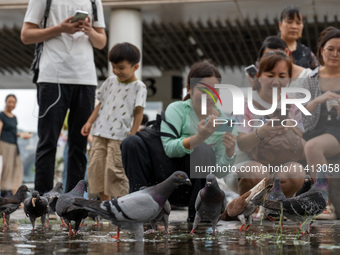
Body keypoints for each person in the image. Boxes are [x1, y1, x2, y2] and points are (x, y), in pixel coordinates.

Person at [121, 60, 237, 222]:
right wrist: (199, 137)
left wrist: (230, 153)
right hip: (162, 181)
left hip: (194, 190)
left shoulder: (224, 122)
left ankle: (199, 218)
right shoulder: (177, 109)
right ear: (189, 89)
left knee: (203, 150)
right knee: (131, 142)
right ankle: (138, 210)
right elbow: (169, 148)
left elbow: (218, 172)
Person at [21, 0, 107, 194]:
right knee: (48, 142)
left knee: (79, 145)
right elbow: (26, 35)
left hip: (85, 78)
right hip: (52, 76)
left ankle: (73, 203)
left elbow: (101, 42)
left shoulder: (94, 1)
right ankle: (42, 201)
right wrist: (60, 28)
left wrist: (89, 30)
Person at [81, 43, 147, 201]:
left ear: (135, 67)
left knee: (115, 171)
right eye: (114, 67)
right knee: (97, 169)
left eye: (121, 68)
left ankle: (121, 205)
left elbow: (139, 113)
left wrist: (132, 134)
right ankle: (106, 206)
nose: (117, 71)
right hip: (99, 132)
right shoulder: (110, 81)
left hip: (120, 136)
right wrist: (89, 122)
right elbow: (101, 104)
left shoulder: (139, 87)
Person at [236, 50, 306, 197]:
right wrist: (261, 133)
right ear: (258, 76)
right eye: (270, 75)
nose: (276, 81)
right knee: (256, 173)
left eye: (282, 76)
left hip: (282, 163)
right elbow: (242, 144)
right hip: (250, 164)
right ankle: (249, 210)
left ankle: (275, 207)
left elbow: (303, 146)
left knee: (297, 172)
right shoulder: (246, 104)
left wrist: (290, 127)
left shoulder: (293, 104)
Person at [299, 27, 340, 220]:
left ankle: (325, 204)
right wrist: (318, 100)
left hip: (335, 132)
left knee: (313, 147)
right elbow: (303, 118)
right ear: (321, 51)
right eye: (330, 49)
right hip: (313, 129)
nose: (335, 54)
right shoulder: (310, 79)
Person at [0, 95, 32, 197]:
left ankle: (15, 195)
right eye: (9, 102)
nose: (11, 104)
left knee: (17, 171)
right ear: (5, 102)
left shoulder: (14, 118)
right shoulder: (1, 115)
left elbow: (13, 132)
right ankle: (5, 194)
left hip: (14, 146)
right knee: (7, 170)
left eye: (13, 102)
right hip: (5, 145)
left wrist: (22, 135)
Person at [279, 5, 318, 69]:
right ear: (280, 25)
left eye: (298, 23)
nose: (294, 26)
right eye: (289, 22)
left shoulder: (306, 52)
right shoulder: (270, 48)